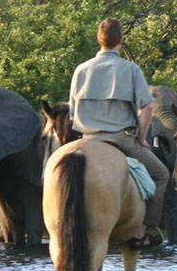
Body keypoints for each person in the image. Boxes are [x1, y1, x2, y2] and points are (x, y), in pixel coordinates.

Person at [69, 18, 170, 248]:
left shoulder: (81, 70)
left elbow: (73, 112)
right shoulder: (130, 69)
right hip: (120, 139)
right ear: (121, 40)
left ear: (99, 39)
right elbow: (148, 107)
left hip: (87, 139)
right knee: (161, 174)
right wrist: (141, 138)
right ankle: (144, 230)